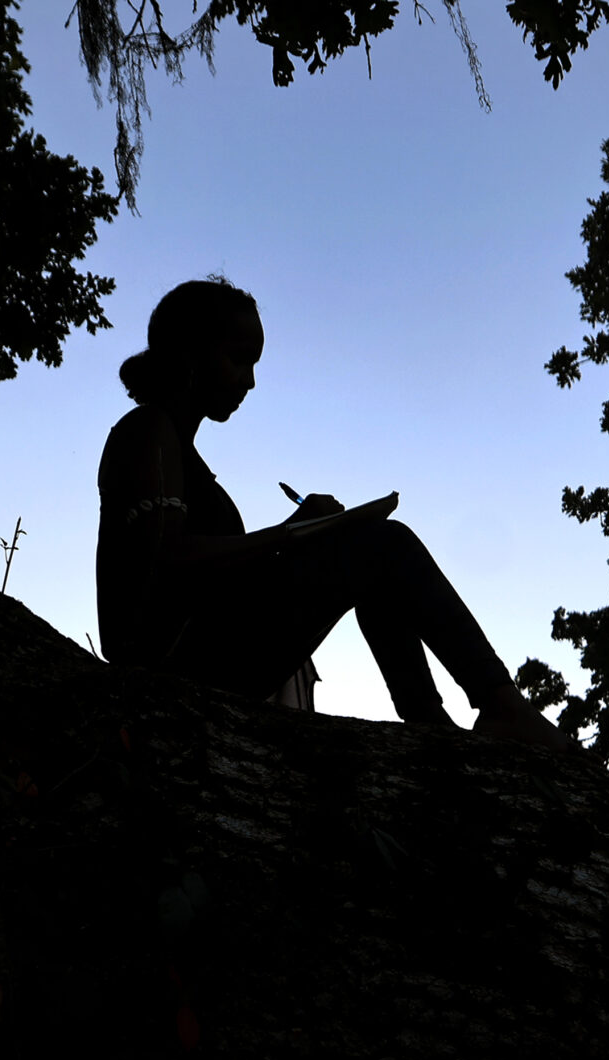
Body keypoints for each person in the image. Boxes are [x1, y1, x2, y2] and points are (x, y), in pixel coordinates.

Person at [94, 276, 575, 749]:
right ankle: (495, 703)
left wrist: (310, 533)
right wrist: (290, 533)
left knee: (374, 551)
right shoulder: (146, 429)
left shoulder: (177, 449)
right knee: (385, 546)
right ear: (191, 353)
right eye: (239, 360)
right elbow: (166, 557)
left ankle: (432, 720)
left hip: (202, 657)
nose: (250, 381)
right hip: (176, 668)